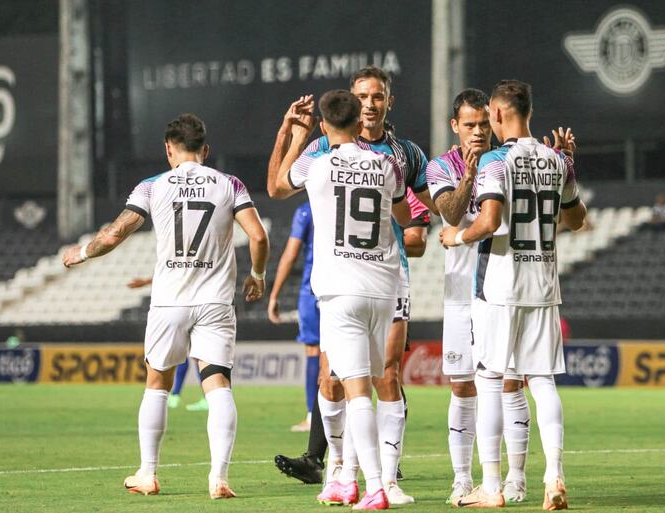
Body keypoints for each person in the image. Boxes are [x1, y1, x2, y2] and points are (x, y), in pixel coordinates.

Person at [62, 113, 270, 499]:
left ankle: (148, 474)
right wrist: (257, 275)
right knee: (218, 385)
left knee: (157, 384)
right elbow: (258, 236)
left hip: (170, 301)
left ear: (169, 149)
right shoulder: (229, 184)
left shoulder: (152, 186)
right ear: (205, 150)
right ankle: (219, 478)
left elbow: (115, 234)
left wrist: (84, 252)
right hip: (215, 302)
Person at [271, 66, 431, 505]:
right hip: (380, 283)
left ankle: (376, 481)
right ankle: (342, 474)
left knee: (369, 383)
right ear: (354, 108)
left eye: (377, 96)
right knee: (345, 379)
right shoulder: (388, 165)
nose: (370, 104)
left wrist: (291, 133)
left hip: (348, 286)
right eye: (362, 97)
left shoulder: (321, 160)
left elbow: (277, 186)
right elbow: (407, 216)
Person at [441, 80, 586, 510]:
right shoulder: (557, 161)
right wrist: (569, 165)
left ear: (499, 115)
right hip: (543, 284)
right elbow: (576, 220)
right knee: (542, 381)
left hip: (500, 286)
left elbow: (488, 222)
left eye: (489, 116)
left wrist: (456, 237)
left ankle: (491, 486)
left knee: (488, 380)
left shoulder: (493, 161)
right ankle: (555, 476)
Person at [427, 88, 531, 504]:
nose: (477, 132)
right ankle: (460, 477)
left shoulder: (505, 160)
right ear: (455, 126)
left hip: (503, 286)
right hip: (459, 291)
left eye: (483, 123)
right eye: (468, 125)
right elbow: (450, 214)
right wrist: (468, 175)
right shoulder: (440, 168)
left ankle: (515, 479)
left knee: (510, 382)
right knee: (463, 387)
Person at [267, 201, 321, 431]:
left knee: (313, 350)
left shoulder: (306, 210)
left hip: (314, 288)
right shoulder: (343, 197)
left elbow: (290, 255)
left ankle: (312, 417)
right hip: (347, 286)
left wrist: (274, 295)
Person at [127, 276, 208, 411]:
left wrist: (146, 282)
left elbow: (173, 273)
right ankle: (178, 395)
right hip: (195, 306)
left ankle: (197, 397)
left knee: (192, 356)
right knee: (188, 355)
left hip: (186, 307)